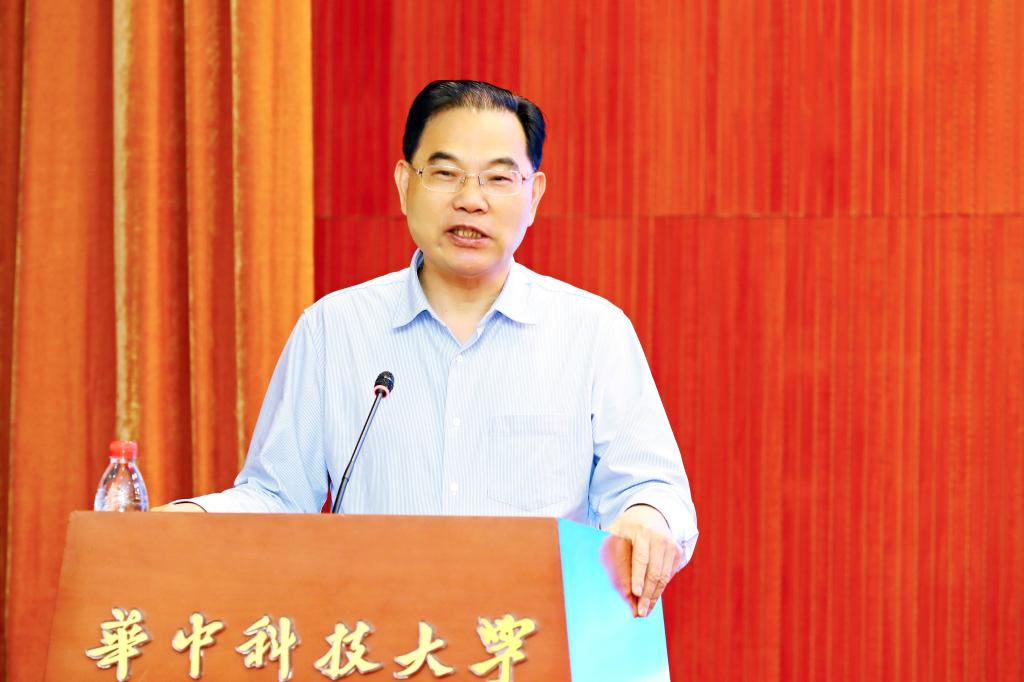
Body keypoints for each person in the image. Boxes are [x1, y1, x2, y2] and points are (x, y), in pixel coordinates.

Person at [155, 80, 698, 618]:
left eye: (498, 178)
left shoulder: (593, 333)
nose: (471, 200)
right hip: (377, 642)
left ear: (533, 196)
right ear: (403, 184)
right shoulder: (334, 330)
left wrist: (648, 516)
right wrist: (190, 519)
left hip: (533, 642)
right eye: (444, 173)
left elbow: (653, 487)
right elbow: (277, 498)